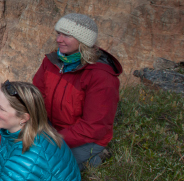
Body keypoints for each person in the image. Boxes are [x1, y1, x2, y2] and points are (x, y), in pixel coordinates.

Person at [32, 13, 122, 170]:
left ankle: (93, 157)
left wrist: (51, 139)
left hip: (86, 139)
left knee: (43, 166)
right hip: (52, 129)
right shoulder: (51, 62)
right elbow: (37, 96)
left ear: (83, 41)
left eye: (66, 35)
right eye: (58, 33)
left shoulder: (101, 76)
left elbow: (93, 127)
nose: (59, 39)